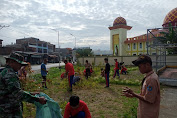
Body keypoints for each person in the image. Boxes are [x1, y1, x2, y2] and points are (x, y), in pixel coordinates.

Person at [0, 52, 46, 117]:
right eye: (19, 64)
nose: (20, 66)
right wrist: (37, 99)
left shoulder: (5, 72)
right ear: (12, 62)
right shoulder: (10, 75)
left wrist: (30, 93)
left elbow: (12, 91)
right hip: (9, 112)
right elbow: (18, 94)